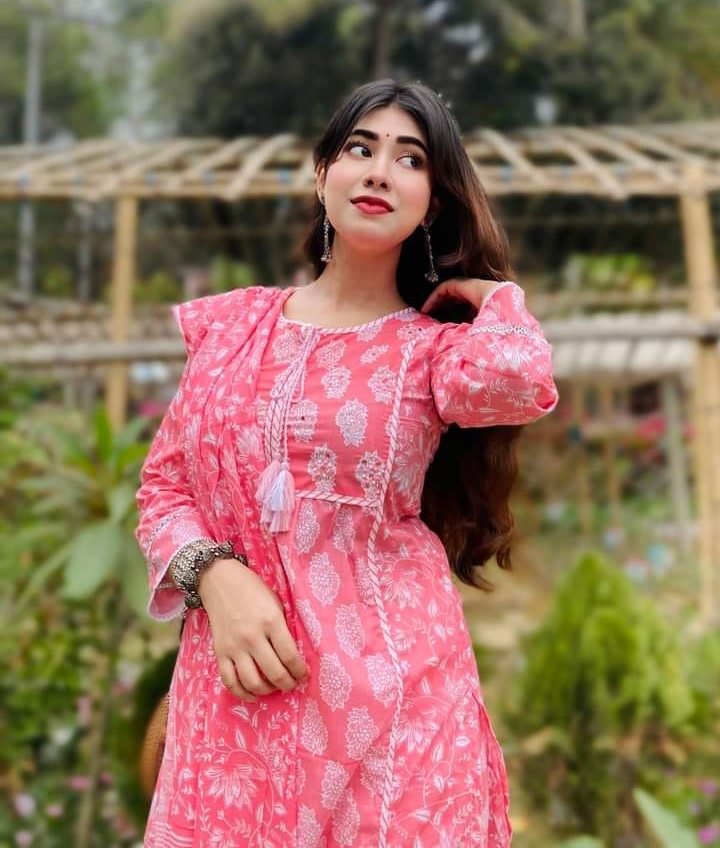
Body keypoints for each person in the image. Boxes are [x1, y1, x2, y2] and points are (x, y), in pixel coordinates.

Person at [134, 78, 559, 847]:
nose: (379, 172)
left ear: (432, 201)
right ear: (322, 171)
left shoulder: (432, 351)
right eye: (361, 148)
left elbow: (520, 380)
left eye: (411, 159)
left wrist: (492, 298)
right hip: (242, 691)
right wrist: (215, 577)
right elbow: (164, 486)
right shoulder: (232, 327)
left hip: (396, 705)